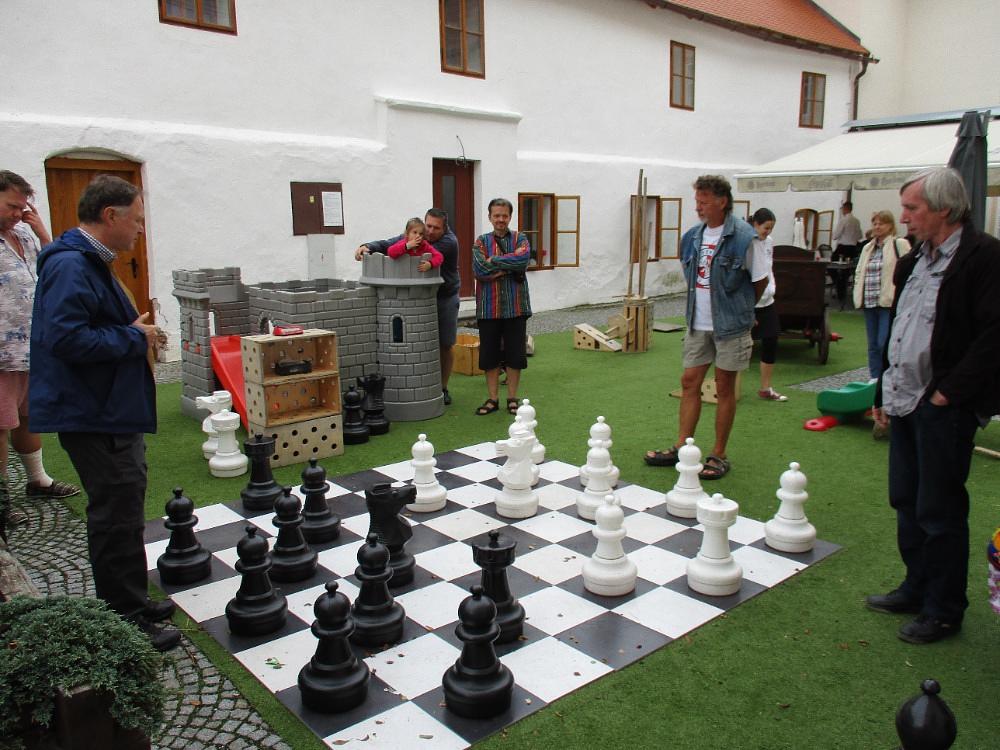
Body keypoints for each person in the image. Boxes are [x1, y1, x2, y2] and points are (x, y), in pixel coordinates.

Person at [29, 175, 180, 651]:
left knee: (125, 506)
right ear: (110, 215)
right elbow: (65, 339)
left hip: (106, 407)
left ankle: (132, 599)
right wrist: (133, 336)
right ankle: (126, 619)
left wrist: (129, 332)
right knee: (114, 514)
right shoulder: (71, 265)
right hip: (93, 411)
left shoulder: (87, 260)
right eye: (136, 219)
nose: (140, 229)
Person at [867, 167, 1000, 645]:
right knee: (906, 500)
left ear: (944, 209)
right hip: (903, 398)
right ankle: (916, 587)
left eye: (912, 208)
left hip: (943, 406)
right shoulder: (913, 260)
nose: (903, 217)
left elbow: (994, 336)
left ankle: (944, 610)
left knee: (939, 510)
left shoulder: (984, 257)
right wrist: (882, 391)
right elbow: (900, 330)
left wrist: (948, 394)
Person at [644, 176, 767, 479]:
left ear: (722, 201)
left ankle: (719, 454)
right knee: (689, 382)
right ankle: (682, 447)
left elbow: (760, 280)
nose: (698, 207)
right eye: (697, 201)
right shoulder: (691, 237)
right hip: (697, 322)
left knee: (724, 387)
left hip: (731, 326)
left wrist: (742, 310)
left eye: (703, 201)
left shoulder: (746, 238)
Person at [0, 171, 79, 528]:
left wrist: (42, 232)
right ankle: (1, 501)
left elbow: (55, 266)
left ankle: (37, 480)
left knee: (30, 415)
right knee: (1, 423)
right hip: (2, 352)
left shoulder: (23, 235)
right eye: (11, 206)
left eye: (23, 207)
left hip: (33, 345)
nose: (18, 214)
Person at [356, 209, 460, 405]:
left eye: (436, 228)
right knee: (418, 343)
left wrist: (407, 245)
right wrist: (367, 246)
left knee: (445, 343)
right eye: (428, 226)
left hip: (445, 296)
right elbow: (389, 244)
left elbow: (424, 253)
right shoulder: (419, 235)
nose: (430, 231)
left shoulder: (448, 242)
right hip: (420, 297)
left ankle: (442, 387)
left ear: (445, 228)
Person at [472, 198, 531, 416]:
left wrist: (494, 260)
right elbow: (479, 269)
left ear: (510, 217)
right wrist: (509, 265)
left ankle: (512, 398)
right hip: (488, 307)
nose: (500, 219)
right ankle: (493, 399)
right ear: (489, 217)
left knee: (516, 354)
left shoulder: (520, 238)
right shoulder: (480, 241)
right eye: (496, 215)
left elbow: (523, 260)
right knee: (489, 355)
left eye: (504, 215)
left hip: (516, 306)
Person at [852, 211, 910, 382]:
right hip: (869, 300)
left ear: (890, 226)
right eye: (875, 223)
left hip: (888, 301)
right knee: (872, 344)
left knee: (883, 341)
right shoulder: (868, 247)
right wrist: (858, 290)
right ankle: (874, 377)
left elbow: (909, 269)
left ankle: (888, 376)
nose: (877, 227)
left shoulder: (899, 244)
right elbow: (859, 271)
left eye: (881, 223)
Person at [749, 208, 786, 402]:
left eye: (771, 228)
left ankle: (765, 388)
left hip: (767, 300)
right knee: (741, 346)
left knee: (771, 339)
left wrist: (772, 288)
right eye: (766, 227)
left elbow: (768, 268)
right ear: (755, 224)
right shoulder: (747, 242)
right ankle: (730, 390)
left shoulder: (769, 242)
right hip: (750, 302)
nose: (768, 231)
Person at [830, 201, 864, 300]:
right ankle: (842, 287)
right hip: (853, 248)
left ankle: (838, 283)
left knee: (831, 265)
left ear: (845, 209)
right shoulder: (856, 221)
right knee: (847, 270)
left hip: (843, 248)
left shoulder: (844, 220)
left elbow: (835, 236)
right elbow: (860, 236)